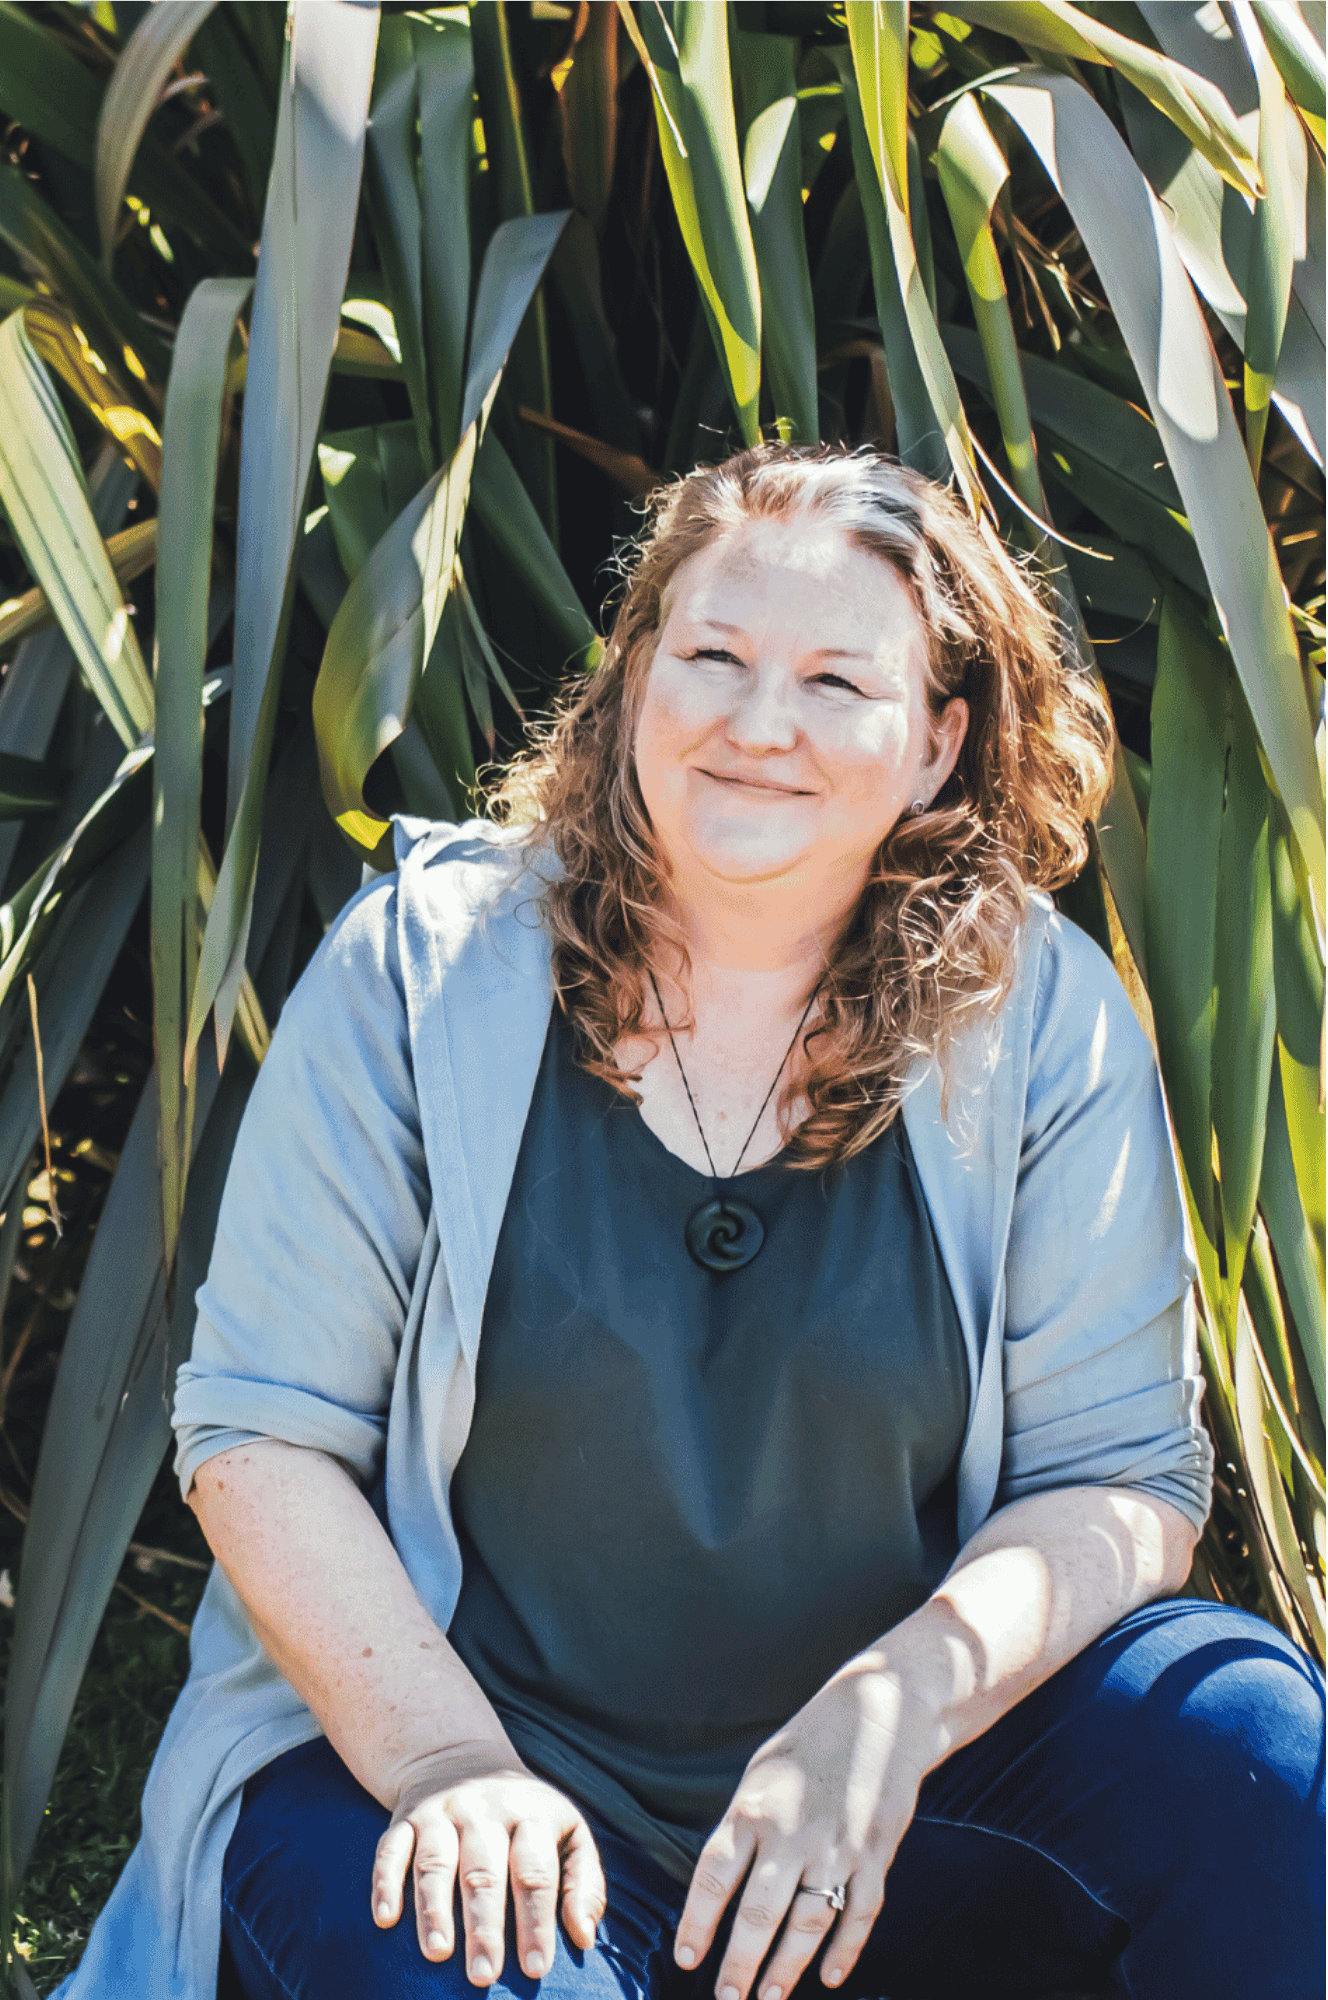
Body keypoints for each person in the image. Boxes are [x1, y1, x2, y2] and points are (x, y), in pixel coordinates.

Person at [58, 445, 1324, 2000]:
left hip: (879, 1809)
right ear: (633, 680)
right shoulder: (417, 973)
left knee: (1242, 1732)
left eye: (836, 682)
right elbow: (262, 1434)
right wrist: (449, 1764)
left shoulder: (1044, 1024)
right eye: (712, 655)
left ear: (938, 744)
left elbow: (1117, 1480)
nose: (758, 722)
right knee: (456, 1949)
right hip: (473, 1777)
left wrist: (888, 1716)